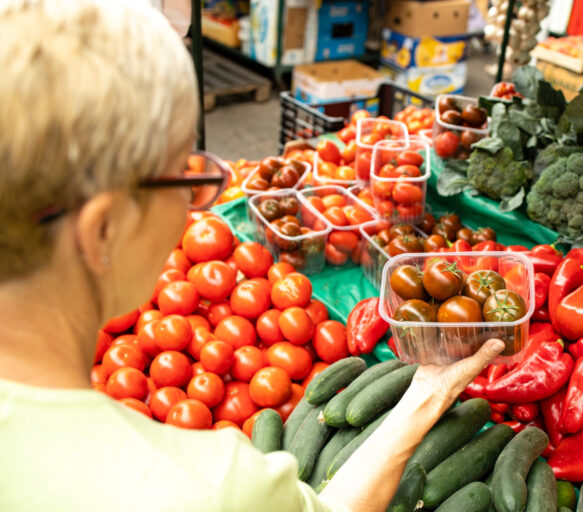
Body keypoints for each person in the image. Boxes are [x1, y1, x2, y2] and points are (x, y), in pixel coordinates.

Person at [0, 1, 504, 511]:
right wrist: (428, 395)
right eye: (185, 178)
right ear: (103, 228)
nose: (194, 210)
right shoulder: (209, 488)